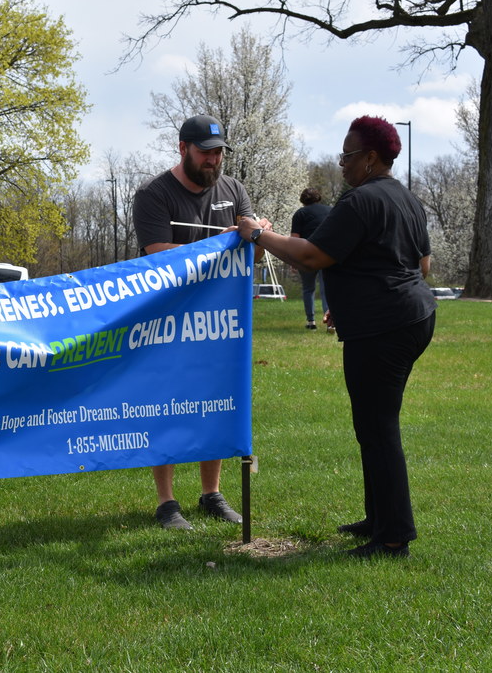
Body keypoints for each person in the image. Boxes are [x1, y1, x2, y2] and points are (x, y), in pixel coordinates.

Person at [237, 116, 436, 558]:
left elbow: (309, 256)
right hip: (413, 317)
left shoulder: (359, 201)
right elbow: (420, 267)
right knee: (372, 423)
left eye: (347, 156)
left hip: (383, 327)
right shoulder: (407, 199)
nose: (341, 164)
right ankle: (378, 517)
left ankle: (393, 537)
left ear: (370, 158)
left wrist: (258, 234)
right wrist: (350, 300)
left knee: (378, 427)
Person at [132, 114, 269, 530]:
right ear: (183, 148)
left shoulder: (234, 190)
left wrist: (258, 235)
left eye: (219, 153)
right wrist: (225, 241)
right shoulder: (153, 194)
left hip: (221, 322)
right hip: (168, 321)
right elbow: (157, 252)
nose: (214, 161)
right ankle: (166, 503)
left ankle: (212, 493)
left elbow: (255, 252)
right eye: (206, 153)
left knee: (216, 403)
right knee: (167, 405)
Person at [290, 188, 331, 330]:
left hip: (306, 255)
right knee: (327, 289)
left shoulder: (300, 214)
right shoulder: (330, 211)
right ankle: (329, 321)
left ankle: (311, 321)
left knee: (308, 289)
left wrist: (293, 260)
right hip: (327, 255)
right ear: (318, 197)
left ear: (303, 200)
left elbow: (295, 239)